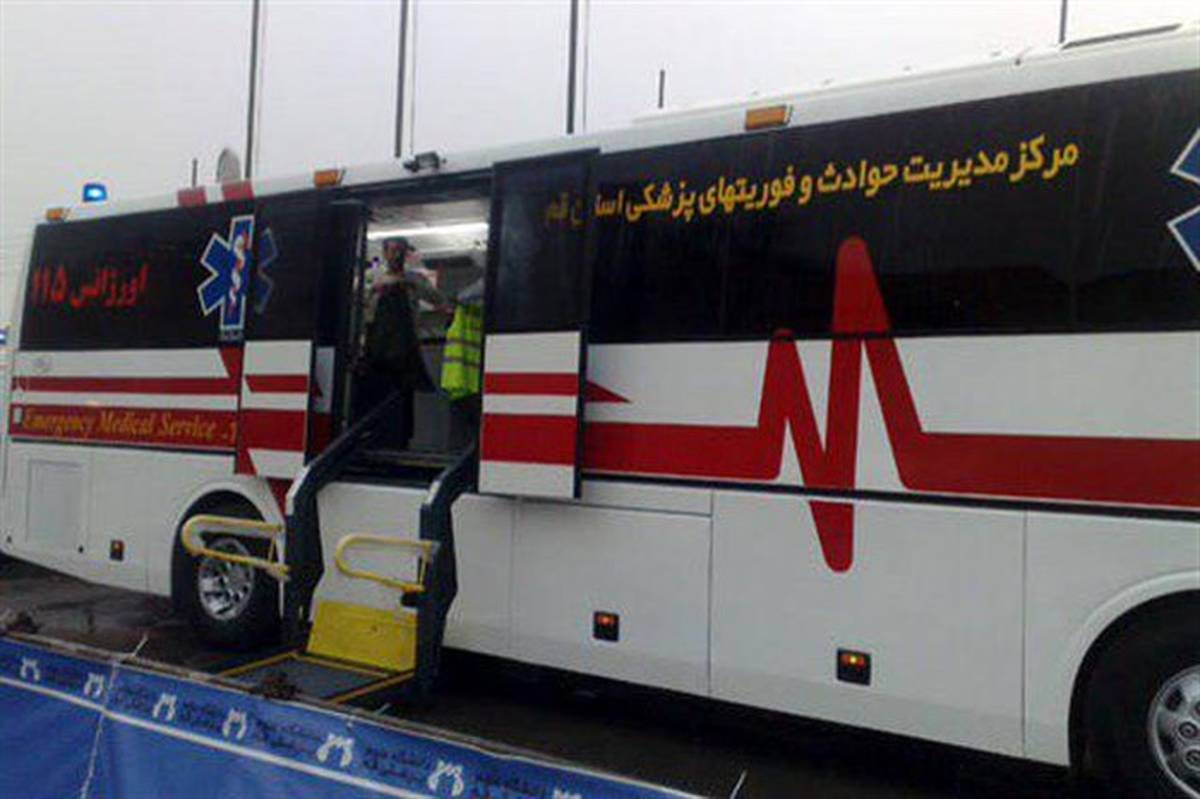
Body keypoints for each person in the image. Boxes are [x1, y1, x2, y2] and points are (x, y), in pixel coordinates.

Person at [357, 237, 430, 448]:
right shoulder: (371, 276)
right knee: (377, 394)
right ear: (385, 253)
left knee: (404, 397)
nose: (396, 255)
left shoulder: (414, 278)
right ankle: (375, 439)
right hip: (376, 347)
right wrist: (375, 288)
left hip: (406, 348)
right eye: (392, 250)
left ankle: (402, 441)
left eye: (400, 251)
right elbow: (354, 294)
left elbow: (437, 298)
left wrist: (413, 284)